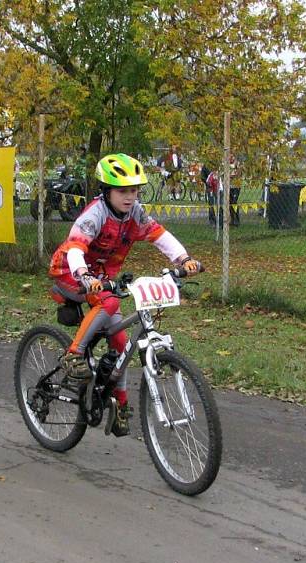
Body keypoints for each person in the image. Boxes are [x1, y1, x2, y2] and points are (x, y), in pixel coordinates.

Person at [48, 153, 199, 436]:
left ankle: (120, 404)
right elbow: (76, 248)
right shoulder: (94, 214)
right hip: (70, 270)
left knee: (120, 343)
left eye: (134, 190)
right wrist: (84, 275)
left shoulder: (135, 213)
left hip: (101, 277)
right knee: (110, 300)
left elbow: (159, 235)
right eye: (122, 191)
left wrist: (183, 259)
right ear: (106, 191)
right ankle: (73, 354)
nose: (130, 197)